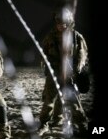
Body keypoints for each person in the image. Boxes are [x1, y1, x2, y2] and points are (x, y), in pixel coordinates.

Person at [38, 8, 89, 136]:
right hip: (53, 73)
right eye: (58, 21)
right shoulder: (50, 37)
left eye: (64, 21)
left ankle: (82, 125)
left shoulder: (76, 37)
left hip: (69, 74)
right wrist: (45, 66)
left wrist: (76, 70)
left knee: (74, 103)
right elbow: (43, 53)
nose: (61, 24)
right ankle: (44, 124)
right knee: (48, 102)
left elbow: (82, 56)